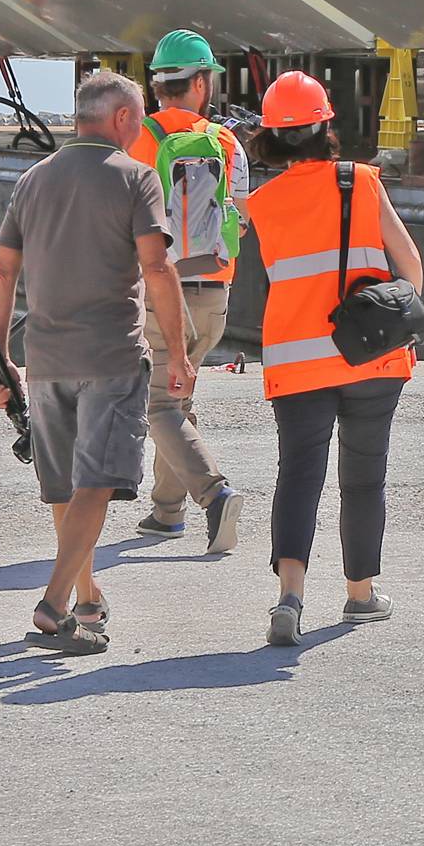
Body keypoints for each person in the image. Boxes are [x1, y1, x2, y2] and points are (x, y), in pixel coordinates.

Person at [0, 69, 193, 655]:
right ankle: (54, 607)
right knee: (96, 484)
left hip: (45, 359)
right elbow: (157, 268)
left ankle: (89, 598)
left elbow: (2, 273)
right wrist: (178, 351)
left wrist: (0, 363)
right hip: (111, 357)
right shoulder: (136, 178)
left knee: (66, 488)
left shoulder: (32, 179)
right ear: (123, 118)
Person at [244, 70, 424, 645]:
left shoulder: (261, 203)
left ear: (271, 137)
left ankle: (289, 597)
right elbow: (410, 265)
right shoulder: (362, 183)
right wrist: (399, 322)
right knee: (364, 476)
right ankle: (360, 593)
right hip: (369, 356)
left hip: (295, 362)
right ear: (326, 125)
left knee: (298, 474)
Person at [127, 29, 250, 552]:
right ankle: (166, 511)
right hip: (215, 291)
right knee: (178, 397)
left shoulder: (138, 139)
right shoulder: (227, 143)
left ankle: (214, 494)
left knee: (158, 406)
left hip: (161, 290)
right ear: (200, 83)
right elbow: (239, 221)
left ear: (158, 86)